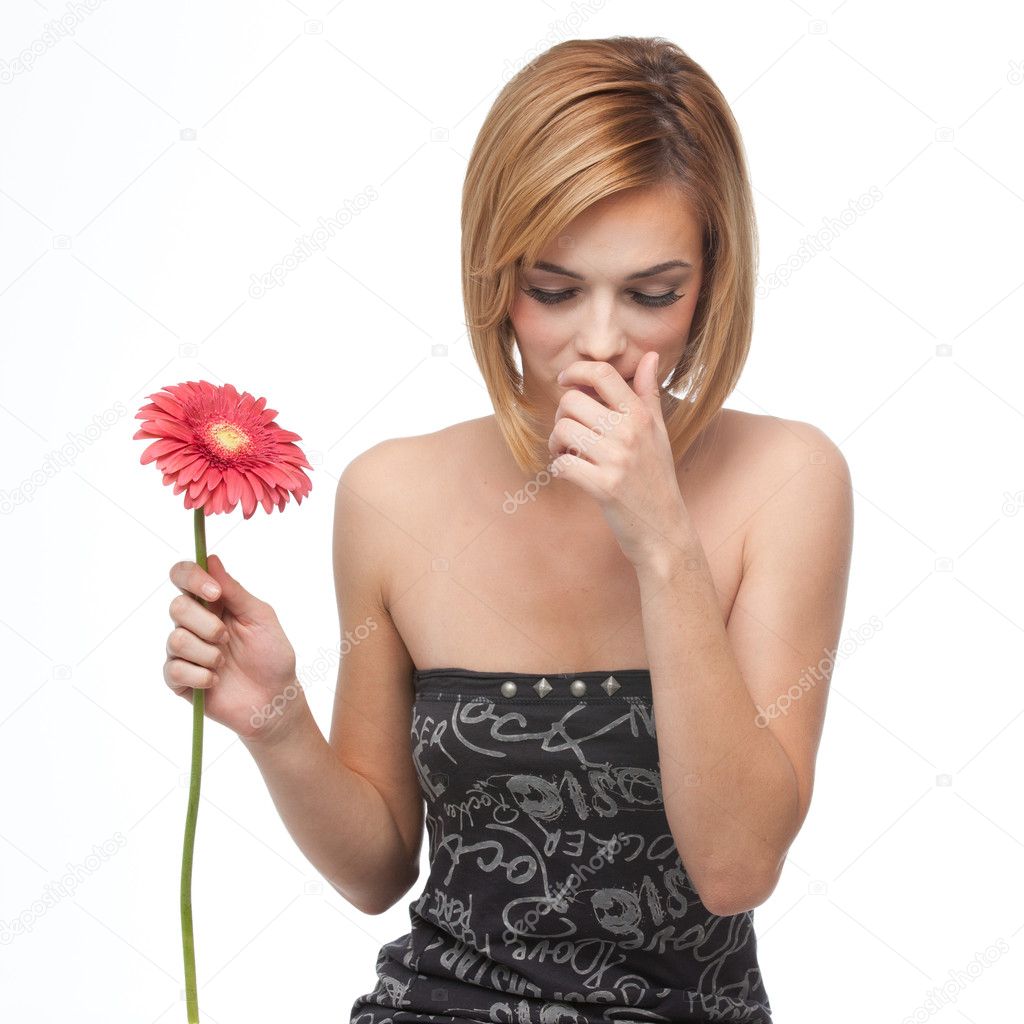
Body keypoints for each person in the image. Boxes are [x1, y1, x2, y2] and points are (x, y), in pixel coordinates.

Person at [164, 35, 852, 1024]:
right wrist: (278, 725)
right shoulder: (392, 494)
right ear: (495, 276)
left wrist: (662, 542)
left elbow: (736, 867)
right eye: (555, 289)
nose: (602, 340)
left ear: (712, 285)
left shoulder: (787, 479)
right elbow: (376, 867)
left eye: (653, 293)